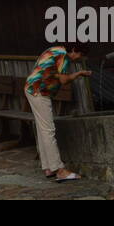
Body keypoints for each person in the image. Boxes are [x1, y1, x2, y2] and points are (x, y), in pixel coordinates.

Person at [25, 43, 91, 181]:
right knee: (48, 130)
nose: (78, 59)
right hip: (39, 92)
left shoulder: (56, 49)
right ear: (74, 49)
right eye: (79, 55)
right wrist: (79, 73)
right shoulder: (63, 56)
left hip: (32, 88)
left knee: (42, 129)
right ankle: (59, 170)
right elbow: (64, 80)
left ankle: (48, 167)